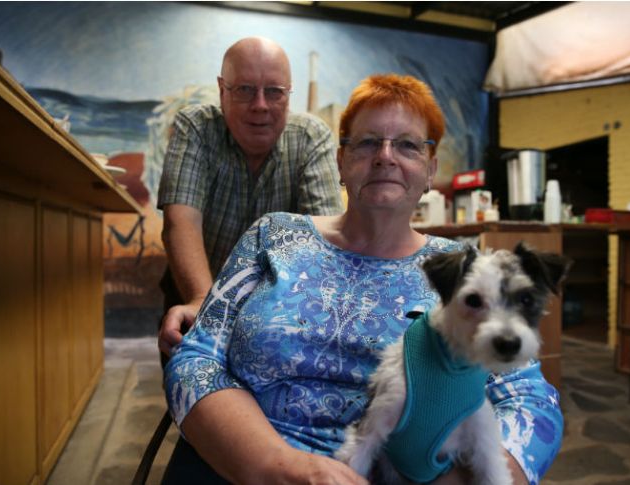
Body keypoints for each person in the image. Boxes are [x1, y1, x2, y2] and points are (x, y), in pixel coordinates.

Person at [163, 74, 563, 485]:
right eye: (368, 142)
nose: (385, 156)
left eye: (407, 145)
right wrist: (277, 466)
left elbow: (532, 400)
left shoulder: (466, 271)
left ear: (431, 169)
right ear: (341, 162)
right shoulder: (274, 234)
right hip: (243, 466)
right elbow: (197, 360)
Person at [156, 36, 344, 366]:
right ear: (222, 90)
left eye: (274, 92)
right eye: (245, 90)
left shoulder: (311, 138)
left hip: (279, 309)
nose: (260, 105)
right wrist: (202, 301)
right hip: (194, 290)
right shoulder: (196, 128)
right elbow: (180, 222)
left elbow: (325, 243)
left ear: (289, 93)